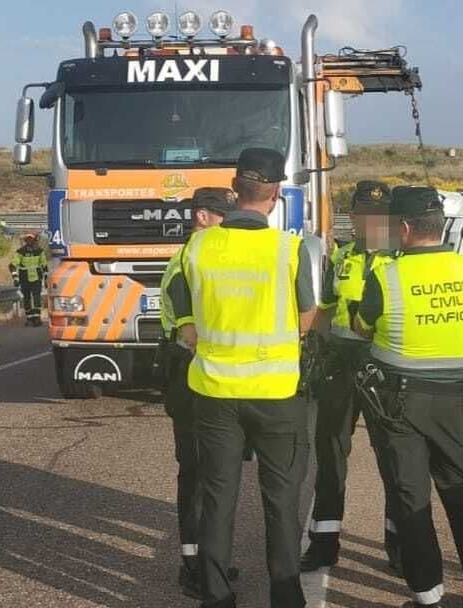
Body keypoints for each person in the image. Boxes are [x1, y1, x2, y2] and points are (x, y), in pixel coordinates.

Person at [169, 147, 316, 608]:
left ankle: (216, 596)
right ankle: (286, 596)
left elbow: (182, 317)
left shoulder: (198, 246)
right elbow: (307, 317)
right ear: (274, 194)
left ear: (236, 191)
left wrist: (207, 342)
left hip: (214, 392)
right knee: (281, 501)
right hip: (276, 393)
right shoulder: (290, 248)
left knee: (217, 496)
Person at [354, 186, 463, 608]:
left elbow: (363, 327)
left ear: (402, 228)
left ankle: (428, 597)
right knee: (461, 491)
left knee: (411, 498)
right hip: (455, 400)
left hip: (399, 405)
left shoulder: (385, 275)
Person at [300, 180, 402, 574]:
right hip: (340, 366)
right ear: (354, 217)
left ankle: (399, 544)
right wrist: (311, 351)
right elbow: (324, 310)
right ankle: (324, 544)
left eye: (380, 215)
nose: (372, 221)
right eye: (364, 214)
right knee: (330, 455)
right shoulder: (342, 256)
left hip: (384, 366)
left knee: (393, 459)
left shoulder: (402, 260)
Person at [158, 187, 238, 598]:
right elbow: (191, 333)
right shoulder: (188, 262)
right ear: (203, 217)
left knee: (214, 473)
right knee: (195, 471)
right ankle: (193, 565)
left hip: (207, 372)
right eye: (223, 215)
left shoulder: (205, 259)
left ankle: (211, 558)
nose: (230, 222)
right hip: (190, 371)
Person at [9, 233, 48, 326]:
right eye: (28, 239)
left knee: (36, 298)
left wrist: (46, 279)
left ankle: (37, 318)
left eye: (31, 239)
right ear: (26, 240)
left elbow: (45, 266)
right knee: (27, 299)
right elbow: (12, 265)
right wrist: (15, 278)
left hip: (36, 279)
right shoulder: (20, 252)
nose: (29, 241)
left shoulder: (39, 251)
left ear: (34, 240)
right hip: (24, 279)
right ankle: (29, 318)